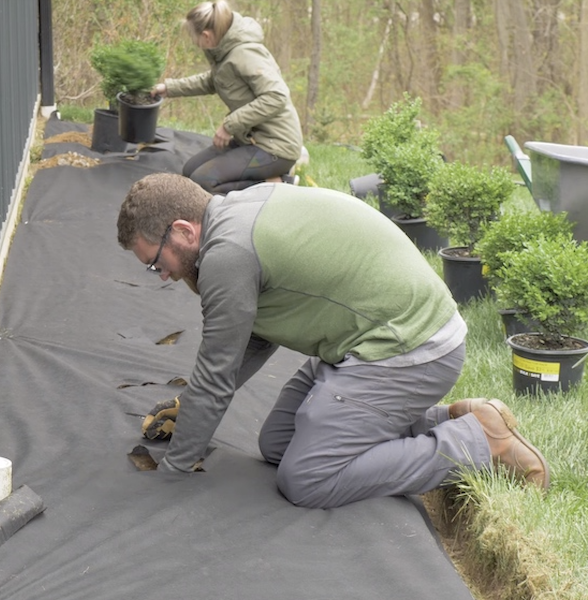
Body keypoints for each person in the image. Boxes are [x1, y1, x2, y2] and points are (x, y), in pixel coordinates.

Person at [117, 173, 550, 509]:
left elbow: (217, 372)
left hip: (409, 348)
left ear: (184, 231)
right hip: (369, 339)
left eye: (157, 263)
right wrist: (192, 408)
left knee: (307, 479)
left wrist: (172, 472)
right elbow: (247, 341)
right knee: (278, 446)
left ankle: (480, 445)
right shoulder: (235, 213)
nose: (165, 276)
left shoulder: (227, 256)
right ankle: (451, 419)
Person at [152, 0, 303, 194]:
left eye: (194, 37)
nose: (194, 42)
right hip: (250, 140)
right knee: (190, 172)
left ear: (206, 36)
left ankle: (277, 183)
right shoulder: (226, 53)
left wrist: (228, 126)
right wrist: (169, 88)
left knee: (203, 181)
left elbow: (276, 96)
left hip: (274, 147)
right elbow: (212, 81)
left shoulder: (246, 54)